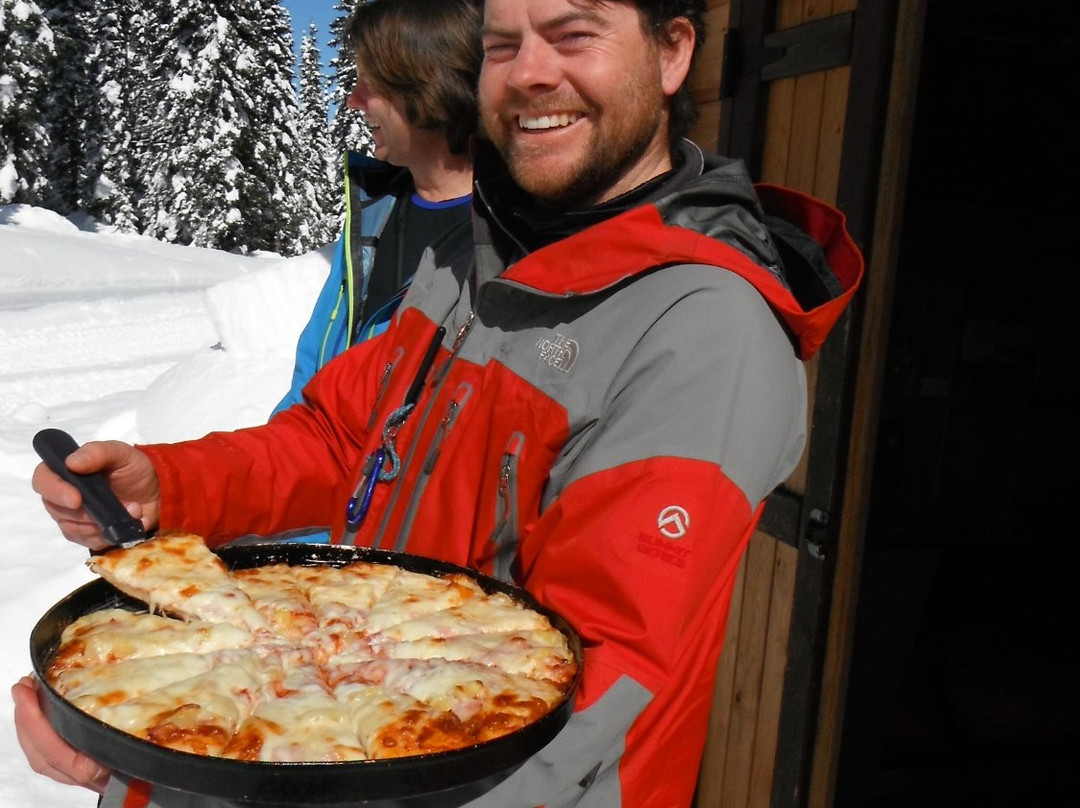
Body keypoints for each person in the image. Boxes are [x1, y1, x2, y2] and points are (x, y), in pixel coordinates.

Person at [14, 1, 864, 806]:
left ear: (673, 52)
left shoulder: (700, 333)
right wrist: (173, 486)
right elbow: (342, 435)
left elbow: (580, 702)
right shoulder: (476, 256)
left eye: (573, 35)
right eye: (503, 43)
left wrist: (176, 775)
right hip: (346, 695)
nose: (530, 74)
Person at [271, 0, 480, 418]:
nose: (352, 101)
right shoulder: (373, 215)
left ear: (427, 86)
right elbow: (310, 385)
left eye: (369, 85)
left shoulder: (507, 236)